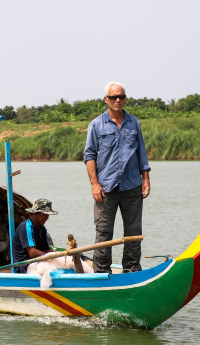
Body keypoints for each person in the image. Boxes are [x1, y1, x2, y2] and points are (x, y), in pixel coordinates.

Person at [83, 81, 151, 274]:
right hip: (106, 188)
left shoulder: (133, 122)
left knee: (133, 232)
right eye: (114, 97)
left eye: (121, 96)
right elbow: (89, 156)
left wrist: (145, 179)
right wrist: (94, 184)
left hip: (132, 187)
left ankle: (132, 271)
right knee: (104, 233)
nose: (118, 100)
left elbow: (141, 153)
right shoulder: (96, 125)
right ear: (106, 100)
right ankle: (102, 273)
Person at [12, 198, 58, 273]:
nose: (47, 218)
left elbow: (46, 249)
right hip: (24, 264)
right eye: (45, 214)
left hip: (37, 260)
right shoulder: (26, 227)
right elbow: (32, 253)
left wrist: (57, 254)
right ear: (37, 214)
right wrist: (51, 256)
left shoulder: (42, 229)